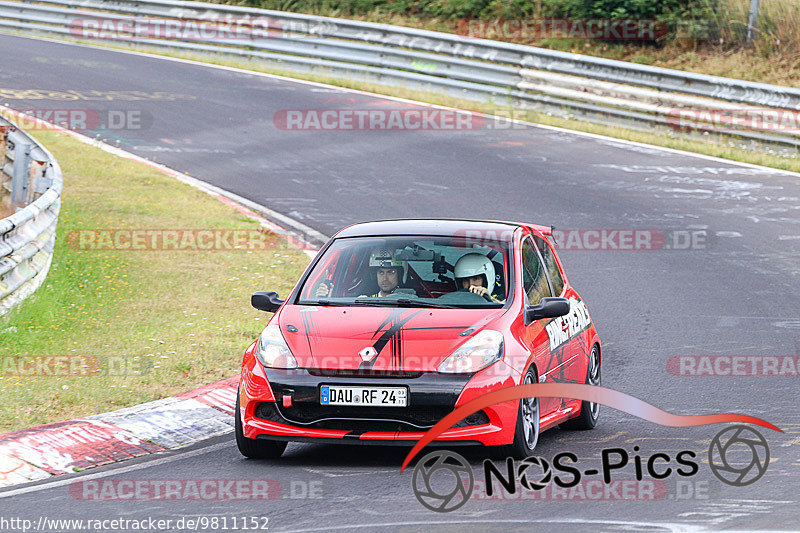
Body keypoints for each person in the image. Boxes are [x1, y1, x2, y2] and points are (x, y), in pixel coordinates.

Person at [315, 247, 405, 298]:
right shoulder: (362, 301)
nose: (385, 278)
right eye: (381, 272)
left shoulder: (411, 301)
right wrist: (329, 297)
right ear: (374, 275)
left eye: (391, 272)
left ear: (400, 275)